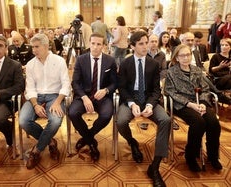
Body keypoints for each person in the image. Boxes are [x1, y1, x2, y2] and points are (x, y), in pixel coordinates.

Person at [117, 31, 170, 187]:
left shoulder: (153, 64)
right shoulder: (125, 63)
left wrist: (149, 105)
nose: (145, 46)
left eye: (146, 42)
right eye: (141, 43)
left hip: (149, 100)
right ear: (132, 46)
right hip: (130, 99)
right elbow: (122, 88)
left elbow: (156, 89)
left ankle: (155, 167)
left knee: (165, 120)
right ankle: (132, 142)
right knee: (120, 121)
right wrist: (131, 104)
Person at [164, 44, 222, 172]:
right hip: (183, 105)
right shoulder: (171, 73)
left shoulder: (196, 70)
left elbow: (205, 89)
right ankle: (191, 156)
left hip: (199, 102)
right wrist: (190, 104)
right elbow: (170, 92)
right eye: (182, 55)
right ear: (176, 58)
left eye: (188, 55)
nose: (186, 58)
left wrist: (202, 103)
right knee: (198, 123)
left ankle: (213, 156)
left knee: (213, 122)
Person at [19, 33, 70, 169]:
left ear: (46, 46)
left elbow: (66, 85)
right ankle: (50, 142)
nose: (34, 50)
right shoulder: (30, 65)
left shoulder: (59, 61)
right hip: (36, 97)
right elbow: (29, 88)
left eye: (37, 47)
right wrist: (35, 105)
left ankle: (36, 151)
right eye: (32, 47)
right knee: (23, 120)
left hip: (55, 96)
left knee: (55, 121)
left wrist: (58, 102)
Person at [68, 33, 117, 161]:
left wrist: (106, 90)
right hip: (84, 95)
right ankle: (91, 142)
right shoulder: (81, 59)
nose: (95, 47)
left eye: (98, 44)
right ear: (89, 44)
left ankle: (87, 137)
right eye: (93, 43)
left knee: (107, 114)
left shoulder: (110, 61)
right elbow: (75, 83)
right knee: (72, 113)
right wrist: (84, 97)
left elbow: (115, 83)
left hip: (102, 96)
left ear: (104, 46)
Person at [182, 32, 231, 104]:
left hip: (200, 74)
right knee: (200, 74)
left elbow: (200, 65)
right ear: (182, 41)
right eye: (188, 40)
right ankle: (218, 94)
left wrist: (204, 71)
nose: (190, 42)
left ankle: (211, 98)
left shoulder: (195, 52)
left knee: (202, 75)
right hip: (187, 74)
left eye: (192, 40)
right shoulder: (179, 51)